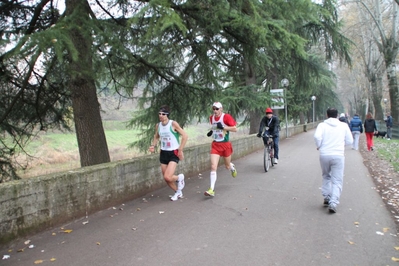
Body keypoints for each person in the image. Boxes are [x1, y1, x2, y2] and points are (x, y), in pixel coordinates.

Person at [314, 107, 353, 214]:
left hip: (324, 154)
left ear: (327, 115)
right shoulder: (343, 126)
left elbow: (317, 137)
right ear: (337, 115)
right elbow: (350, 141)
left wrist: (319, 146)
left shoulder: (322, 125)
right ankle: (333, 202)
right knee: (337, 180)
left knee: (326, 176)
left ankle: (327, 196)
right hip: (338, 155)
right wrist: (340, 144)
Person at [149, 105, 188, 201]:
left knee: (168, 176)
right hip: (163, 153)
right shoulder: (158, 125)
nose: (161, 115)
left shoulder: (173, 124)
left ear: (167, 115)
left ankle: (179, 178)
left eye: (163, 114)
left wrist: (180, 150)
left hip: (173, 152)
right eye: (159, 114)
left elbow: (185, 136)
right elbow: (156, 136)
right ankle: (178, 192)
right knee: (166, 178)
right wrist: (153, 145)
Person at [204, 102, 238, 197]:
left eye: (217, 109)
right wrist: (211, 131)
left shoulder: (226, 117)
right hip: (216, 145)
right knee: (213, 166)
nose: (215, 111)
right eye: (214, 109)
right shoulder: (211, 118)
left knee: (227, 166)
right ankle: (211, 189)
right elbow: (215, 127)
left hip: (225, 145)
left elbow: (235, 129)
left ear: (221, 109)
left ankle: (232, 167)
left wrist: (223, 127)